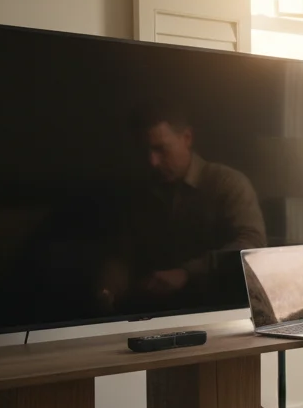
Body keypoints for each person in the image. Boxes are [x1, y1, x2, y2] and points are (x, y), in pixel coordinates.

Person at [97, 108, 267, 312]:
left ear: (187, 137)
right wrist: (108, 289)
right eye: (146, 151)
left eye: (162, 149)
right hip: (151, 314)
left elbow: (252, 244)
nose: (153, 161)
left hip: (219, 313)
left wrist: (187, 273)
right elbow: (122, 254)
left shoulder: (227, 184)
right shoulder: (139, 193)